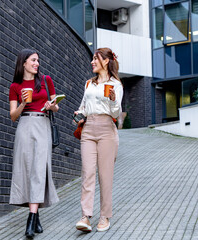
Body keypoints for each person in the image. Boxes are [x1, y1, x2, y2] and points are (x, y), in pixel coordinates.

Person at [8, 49, 59, 238]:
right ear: (24, 63)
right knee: (25, 170)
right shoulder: (15, 86)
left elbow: (56, 105)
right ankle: (35, 218)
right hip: (24, 125)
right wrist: (22, 102)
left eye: (38, 60)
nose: (37, 63)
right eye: (33, 60)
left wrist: (51, 106)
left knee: (39, 169)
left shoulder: (46, 80)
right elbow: (13, 116)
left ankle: (30, 219)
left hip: (43, 124)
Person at [74, 48, 123, 232]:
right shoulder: (89, 84)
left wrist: (112, 100)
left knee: (105, 176)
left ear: (105, 61)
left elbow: (116, 113)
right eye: (93, 59)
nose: (92, 62)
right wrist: (79, 114)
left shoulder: (115, 84)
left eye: (96, 59)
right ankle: (85, 216)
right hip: (88, 130)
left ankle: (105, 216)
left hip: (106, 130)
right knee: (87, 173)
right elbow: (83, 107)